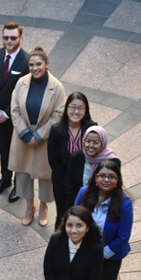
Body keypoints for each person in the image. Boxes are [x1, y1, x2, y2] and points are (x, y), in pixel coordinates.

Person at [75, 160, 133, 280]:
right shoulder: (84, 193)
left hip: (110, 255)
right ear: (95, 177)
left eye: (111, 176)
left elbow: (123, 237)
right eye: (102, 175)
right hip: (86, 252)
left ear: (118, 180)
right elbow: (74, 219)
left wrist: (102, 254)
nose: (106, 179)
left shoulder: (124, 203)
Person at [8, 47, 66, 227]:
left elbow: (58, 114)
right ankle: (29, 206)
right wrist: (25, 134)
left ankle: (43, 207)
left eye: (38, 64)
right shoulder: (22, 83)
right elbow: (15, 109)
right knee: (23, 173)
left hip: (45, 138)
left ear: (46, 64)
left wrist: (39, 136)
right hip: (23, 135)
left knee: (45, 175)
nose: (35, 68)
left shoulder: (56, 87)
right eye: (31, 65)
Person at [0, 22, 29, 202]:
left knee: (19, 152)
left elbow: (26, 93)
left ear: (21, 38)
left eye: (13, 37)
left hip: (16, 117)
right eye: (6, 37)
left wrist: (7, 112)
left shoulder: (27, 61)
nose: (9, 41)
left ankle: (19, 186)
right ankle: (5, 179)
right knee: (3, 149)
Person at [48, 92, 96, 230]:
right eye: (72, 107)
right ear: (66, 108)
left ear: (86, 110)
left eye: (80, 108)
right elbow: (53, 161)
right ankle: (59, 245)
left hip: (86, 182)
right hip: (62, 182)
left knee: (85, 216)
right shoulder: (56, 130)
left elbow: (97, 154)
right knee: (63, 216)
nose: (76, 111)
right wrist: (67, 183)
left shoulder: (91, 128)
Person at [67, 125, 120, 208]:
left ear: (103, 143)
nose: (91, 145)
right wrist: (77, 205)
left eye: (95, 142)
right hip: (79, 204)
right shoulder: (75, 157)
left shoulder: (113, 161)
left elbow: (114, 186)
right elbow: (69, 185)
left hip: (102, 206)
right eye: (88, 141)